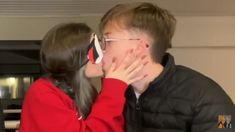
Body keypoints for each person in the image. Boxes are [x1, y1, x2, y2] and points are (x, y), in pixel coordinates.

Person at [99, 2, 235, 132]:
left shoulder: (210, 98)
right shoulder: (114, 94)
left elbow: (227, 125)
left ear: (139, 48)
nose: (100, 50)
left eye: (107, 41)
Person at [19, 23, 147, 132]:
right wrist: (113, 87)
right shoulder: (42, 92)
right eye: (95, 50)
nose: (103, 55)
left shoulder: (87, 91)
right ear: (75, 58)